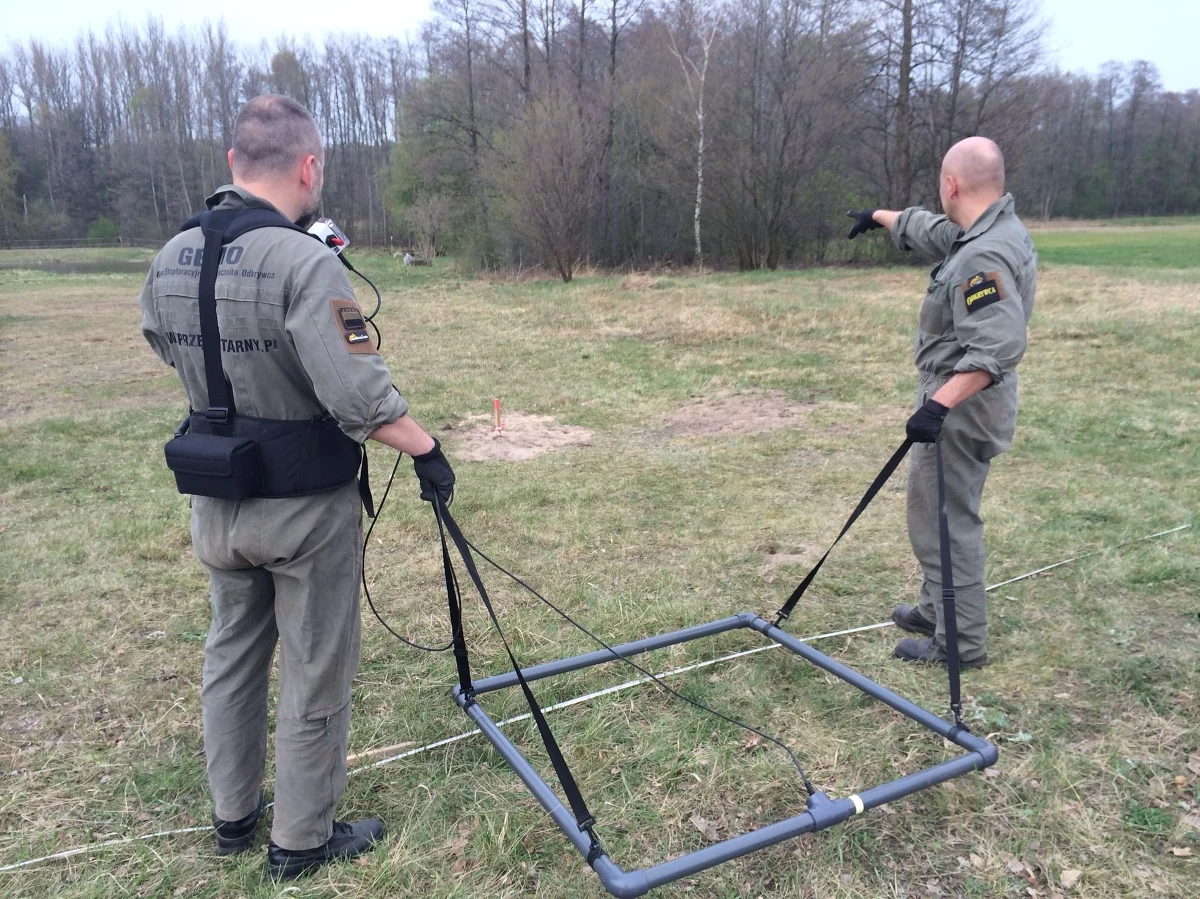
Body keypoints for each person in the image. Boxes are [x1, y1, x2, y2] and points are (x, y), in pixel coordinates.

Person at [138, 94, 456, 880]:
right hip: (304, 512)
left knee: (232, 655)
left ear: (232, 163)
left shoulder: (172, 252)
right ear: (309, 166)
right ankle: (302, 839)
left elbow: (157, 336)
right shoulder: (305, 261)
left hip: (217, 504)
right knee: (315, 664)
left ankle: (232, 816)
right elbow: (362, 398)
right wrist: (428, 449)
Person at [846, 136, 1037, 669]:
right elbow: (933, 230)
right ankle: (936, 611)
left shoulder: (984, 254)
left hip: (960, 408)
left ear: (951, 184)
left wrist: (938, 405)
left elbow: (998, 345)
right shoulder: (988, 229)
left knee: (944, 525)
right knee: (938, 511)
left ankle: (961, 642)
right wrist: (879, 215)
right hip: (962, 402)